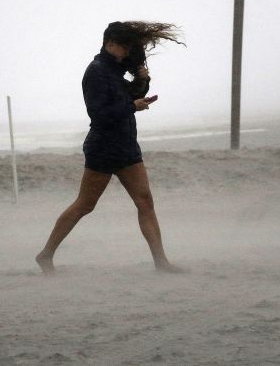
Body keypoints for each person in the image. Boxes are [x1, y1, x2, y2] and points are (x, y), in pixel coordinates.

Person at [35, 21, 186, 275]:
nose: (127, 52)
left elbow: (128, 96)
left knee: (145, 202)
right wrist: (132, 107)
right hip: (103, 147)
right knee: (85, 205)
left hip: (127, 146)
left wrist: (142, 81)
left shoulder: (115, 71)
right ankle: (45, 254)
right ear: (110, 44)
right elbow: (99, 114)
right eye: (124, 47)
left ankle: (161, 262)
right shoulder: (96, 71)